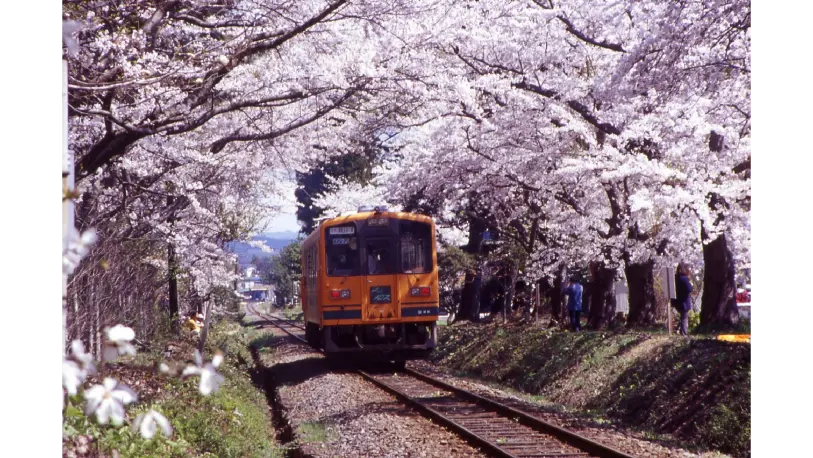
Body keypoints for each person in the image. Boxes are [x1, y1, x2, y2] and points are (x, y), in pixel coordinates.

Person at [675, 263, 694, 336]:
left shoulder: (676, 278)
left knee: (682, 317)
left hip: (677, 301)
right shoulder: (684, 278)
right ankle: (684, 333)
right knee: (684, 318)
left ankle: (679, 330)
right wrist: (691, 284)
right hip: (684, 302)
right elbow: (689, 289)